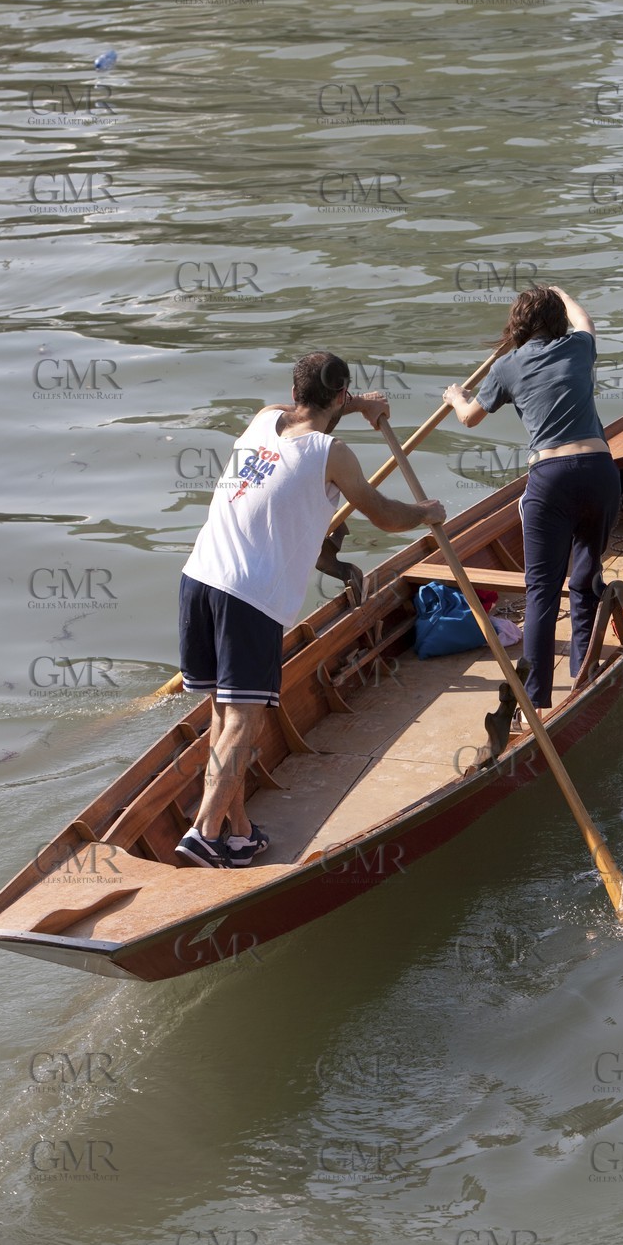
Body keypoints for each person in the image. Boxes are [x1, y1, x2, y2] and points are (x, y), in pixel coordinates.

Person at [175, 351, 446, 868]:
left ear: (295, 390)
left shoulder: (263, 420)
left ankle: (236, 829)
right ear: (339, 397)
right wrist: (426, 512)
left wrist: (358, 402)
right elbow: (385, 515)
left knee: (223, 711)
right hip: (249, 595)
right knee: (242, 720)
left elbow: (312, 409)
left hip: (199, 578)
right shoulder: (331, 452)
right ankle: (204, 832)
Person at [444, 286, 620, 712]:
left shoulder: (505, 366)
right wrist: (563, 292)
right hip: (600, 472)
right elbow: (585, 321)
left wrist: (455, 397)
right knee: (586, 576)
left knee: (541, 590)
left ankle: (535, 697)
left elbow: (469, 418)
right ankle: (584, 672)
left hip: (551, 478)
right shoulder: (578, 348)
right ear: (557, 321)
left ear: (518, 326)